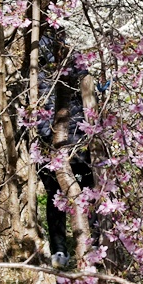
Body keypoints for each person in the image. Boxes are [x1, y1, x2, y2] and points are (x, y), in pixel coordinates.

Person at [37, 35, 94, 269]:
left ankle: (64, 249)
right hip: (61, 135)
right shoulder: (37, 60)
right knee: (75, 193)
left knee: (57, 196)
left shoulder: (70, 59)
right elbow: (88, 93)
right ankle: (84, 246)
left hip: (63, 136)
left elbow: (87, 92)